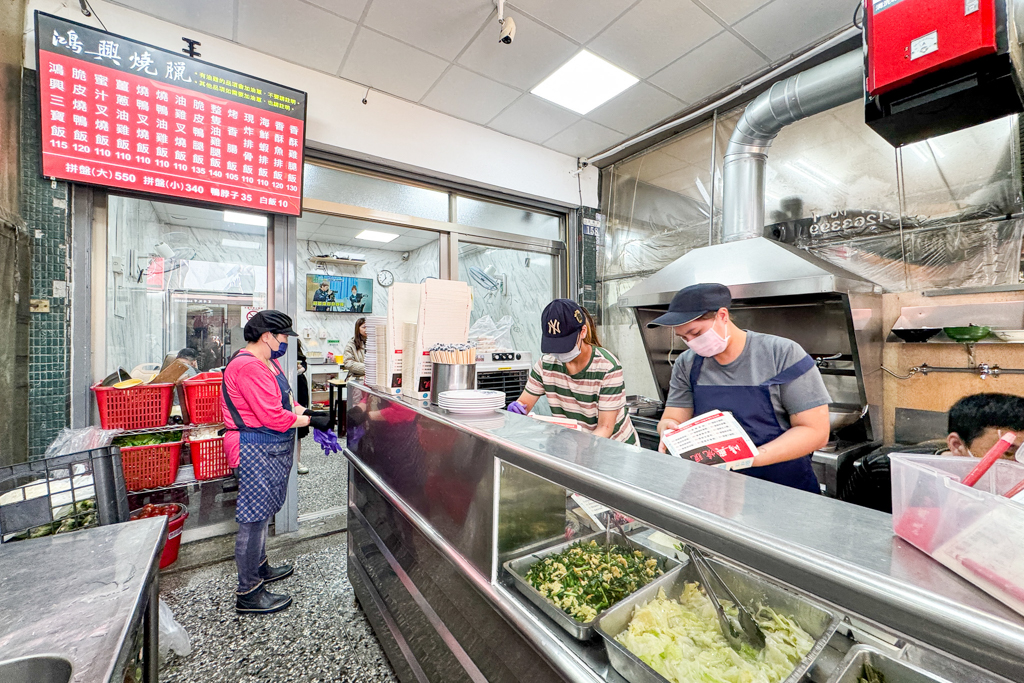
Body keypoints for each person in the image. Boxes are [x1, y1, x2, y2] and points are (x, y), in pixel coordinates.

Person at [653, 283, 831, 493]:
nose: (692, 343)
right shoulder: (687, 363)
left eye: (696, 333)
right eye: (684, 338)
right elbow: (673, 418)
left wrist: (748, 458)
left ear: (722, 315)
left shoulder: (781, 353)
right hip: (717, 490)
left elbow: (815, 431)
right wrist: (667, 428)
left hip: (784, 487)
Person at [220, 310, 331, 614]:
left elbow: (287, 401)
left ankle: (260, 567)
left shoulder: (269, 362)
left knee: (263, 512)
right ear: (267, 336)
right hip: (252, 448)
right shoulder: (248, 366)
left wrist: (309, 411)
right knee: (253, 520)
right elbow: (271, 416)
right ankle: (248, 592)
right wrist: (311, 421)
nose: (285, 342)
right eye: (283, 336)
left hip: (269, 448)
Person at [841, 393, 1024, 512]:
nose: (1018, 463)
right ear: (957, 445)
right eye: (1008, 451)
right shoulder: (886, 470)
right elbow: (846, 528)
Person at [508, 299, 638, 445]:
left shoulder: (607, 367)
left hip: (613, 447)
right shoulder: (546, 365)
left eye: (565, 345)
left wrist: (581, 453)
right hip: (574, 445)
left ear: (583, 332)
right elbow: (524, 404)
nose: (560, 353)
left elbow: (605, 428)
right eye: (554, 346)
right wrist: (518, 410)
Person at [295, 340, 310, 475]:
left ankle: (297, 461)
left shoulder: (296, 345)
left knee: (298, 428)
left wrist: (301, 369)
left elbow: (304, 362)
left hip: (300, 387)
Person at [344, 317, 367, 382]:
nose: (367, 329)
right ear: (358, 329)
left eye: (369, 327)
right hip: (356, 377)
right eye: (364, 327)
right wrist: (367, 368)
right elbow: (348, 362)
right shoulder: (352, 343)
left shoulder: (376, 342)